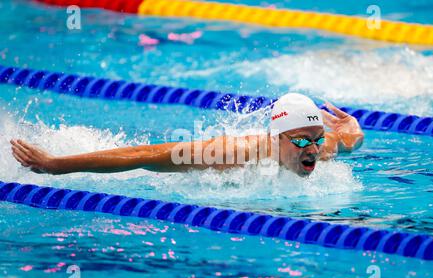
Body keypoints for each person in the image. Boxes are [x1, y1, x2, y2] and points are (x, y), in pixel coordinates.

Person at [10, 93, 364, 176]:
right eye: (302, 140)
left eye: (316, 139)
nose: (313, 150)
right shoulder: (231, 153)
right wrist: (58, 164)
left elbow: (345, 141)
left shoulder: (320, 146)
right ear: (277, 139)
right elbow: (143, 156)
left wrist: (353, 133)